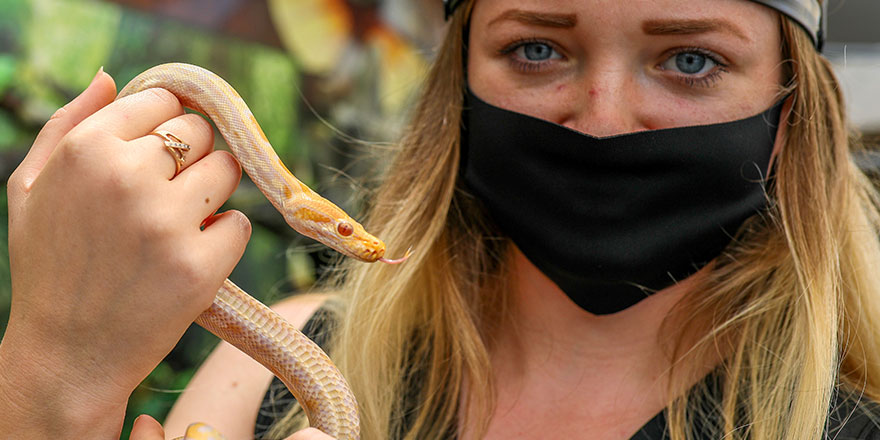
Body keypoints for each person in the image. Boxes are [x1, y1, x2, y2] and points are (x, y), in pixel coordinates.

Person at [3, 0, 880, 439]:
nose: (603, 115)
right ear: (452, 94)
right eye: (537, 48)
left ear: (790, 111)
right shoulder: (277, 359)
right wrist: (50, 371)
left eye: (690, 59)